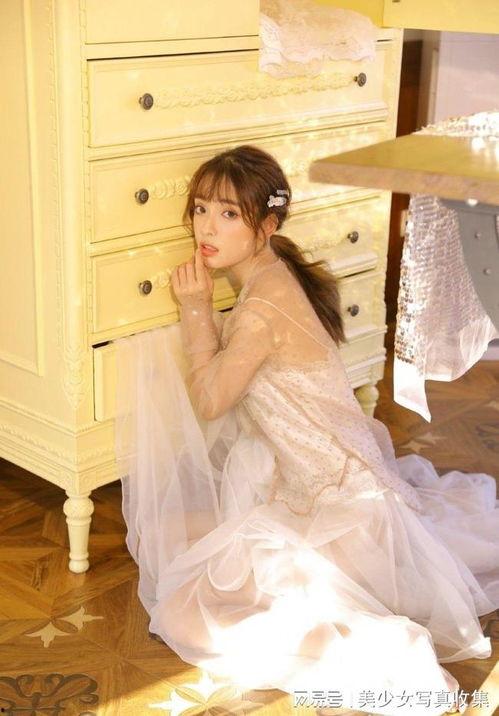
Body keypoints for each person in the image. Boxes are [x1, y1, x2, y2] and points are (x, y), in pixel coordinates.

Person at [115, 145, 499, 716]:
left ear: (267, 226)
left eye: (228, 214)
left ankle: (385, 653)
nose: (207, 228)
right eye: (200, 209)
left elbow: (211, 401)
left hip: (342, 512)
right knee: (165, 538)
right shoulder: (274, 273)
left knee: (185, 611)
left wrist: (195, 308)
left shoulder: (261, 308)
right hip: (321, 490)